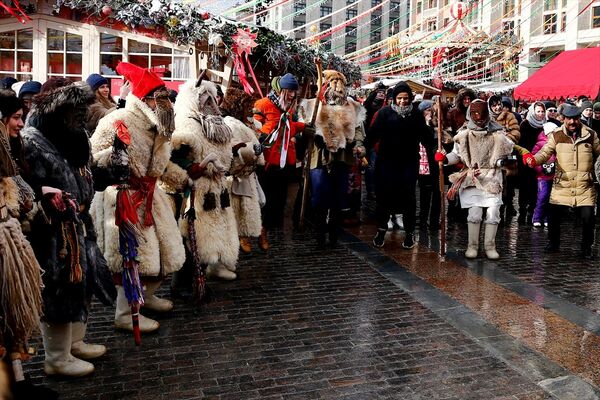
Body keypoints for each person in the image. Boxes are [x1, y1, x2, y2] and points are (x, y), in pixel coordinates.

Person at [21, 80, 116, 376]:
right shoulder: (33, 141)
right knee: (59, 290)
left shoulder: (76, 137)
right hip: (53, 230)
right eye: (73, 110)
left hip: (79, 224)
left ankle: (75, 342)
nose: (79, 115)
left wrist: (111, 168)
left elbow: (88, 174)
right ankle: (57, 357)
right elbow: (29, 189)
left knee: (82, 283)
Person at [90, 62, 185, 332]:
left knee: (167, 251)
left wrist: (185, 179)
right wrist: (114, 159)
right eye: (160, 99)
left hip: (151, 195)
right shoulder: (116, 120)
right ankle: (124, 313)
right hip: (123, 198)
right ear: (146, 100)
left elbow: (161, 166)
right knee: (131, 257)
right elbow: (92, 158)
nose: (165, 105)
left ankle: (145, 297)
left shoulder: (158, 127)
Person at [163, 76, 240, 281]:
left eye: (211, 99)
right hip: (196, 190)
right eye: (204, 100)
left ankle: (209, 269)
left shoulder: (216, 123)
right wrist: (192, 168)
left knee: (215, 230)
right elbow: (174, 155)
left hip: (217, 187)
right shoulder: (186, 123)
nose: (209, 104)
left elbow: (226, 154)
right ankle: (184, 284)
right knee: (192, 235)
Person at [435, 99, 514, 259]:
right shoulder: (464, 135)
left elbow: (503, 155)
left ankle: (490, 247)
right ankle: (472, 247)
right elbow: (457, 155)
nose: (479, 117)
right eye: (475, 113)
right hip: (472, 177)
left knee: (493, 211)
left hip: (491, 176)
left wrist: (501, 162)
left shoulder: (497, 134)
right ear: (470, 114)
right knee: (475, 213)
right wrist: (444, 158)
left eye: (482, 113)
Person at [523, 103, 600, 260]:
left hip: (584, 184)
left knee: (588, 218)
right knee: (554, 215)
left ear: (579, 119)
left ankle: (586, 248)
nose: (572, 122)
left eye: (575, 119)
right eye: (569, 119)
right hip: (562, 184)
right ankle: (553, 243)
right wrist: (533, 160)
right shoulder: (556, 135)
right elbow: (545, 153)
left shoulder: (591, 135)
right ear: (564, 119)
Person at [308, 69, 366, 247]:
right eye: (332, 81)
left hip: (343, 156)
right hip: (319, 156)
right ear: (324, 84)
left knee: (338, 196)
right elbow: (304, 127)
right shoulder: (314, 104)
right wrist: (310, 132)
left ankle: (333, 231)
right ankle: (319, 233)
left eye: (339, 82)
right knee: (319, 196)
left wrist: (358, 144)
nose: (336, 85)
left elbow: (358, 129)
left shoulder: (352, 106)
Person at [368, 82, 429, 249]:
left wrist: (436, 150)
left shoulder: (416, 115)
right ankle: (381, 230)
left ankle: (409, 233)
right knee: (385, 196)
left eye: (406, 99)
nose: (403, 101)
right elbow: (373, 135)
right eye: (400, 98)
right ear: (394, 99)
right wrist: (362, 149)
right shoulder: (384, 113)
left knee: (408, 197)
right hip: (387, 162)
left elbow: (425, 137)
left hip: (408, 162)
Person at [253, 73, 305, 248]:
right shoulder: (263, 104)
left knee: (279, 199)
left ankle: (267, 229)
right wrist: (270, 132)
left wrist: (303, 126)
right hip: (268, 160)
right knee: (265, 198)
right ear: (281, 90)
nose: (292, 95)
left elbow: (290, 127)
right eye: (289, 91)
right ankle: (260, 231)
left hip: (285, 160)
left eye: (294, 92)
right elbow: (255, 130)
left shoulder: (288, 107)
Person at [220, 87, 264, 255]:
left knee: (255, 204)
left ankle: (241, 241)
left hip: (247, 175)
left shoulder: (244, 123)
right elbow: (233, 153)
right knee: (235, 214)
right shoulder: (231, 124)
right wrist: (252, 151)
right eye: (246, 106)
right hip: (236, 178)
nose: (250, 109)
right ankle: (232, 250)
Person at [518, 101, 546, 224]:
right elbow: (521, 144)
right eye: (538, 111)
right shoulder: (525, 124)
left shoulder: (545, 125)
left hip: (540, 160)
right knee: (525, 186)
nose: (540, 114)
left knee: (536, 186)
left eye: (542, 111)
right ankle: (522, 209)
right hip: (526, 160)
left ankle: (532, 210)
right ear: (533, 112)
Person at [417, 99, 441, 230]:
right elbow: (425, 139)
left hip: (435, 163)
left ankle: (434, 221)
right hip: (424, 163)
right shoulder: (420, 126)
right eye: (427, 110)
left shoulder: (436, 124)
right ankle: (422, 220)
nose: (430, 112)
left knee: (437, 192)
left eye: (431, 110)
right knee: (425, 194)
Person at [530, 121, 558, 227]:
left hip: (554, 175)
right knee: (543, 196)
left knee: (552, 198)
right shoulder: (540, 144)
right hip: (543, 176)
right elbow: (533, 158)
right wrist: (540, 168)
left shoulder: (558, 143)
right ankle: (537, 217)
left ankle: (547, 218)